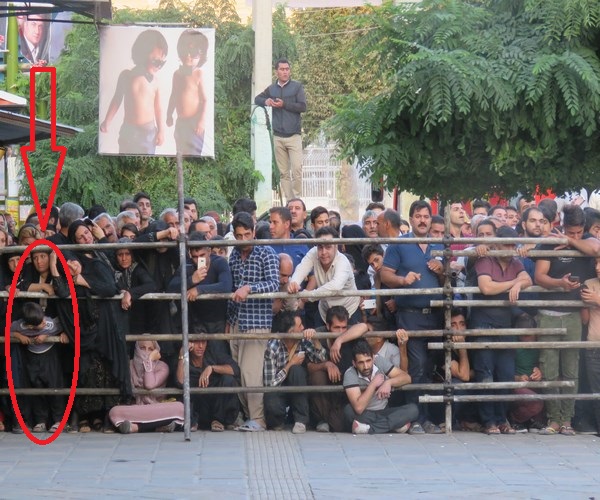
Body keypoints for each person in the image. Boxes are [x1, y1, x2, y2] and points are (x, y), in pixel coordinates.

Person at [380, 199, 445, 434]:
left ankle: (427, 417)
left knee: (430, 368)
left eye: (426, 216)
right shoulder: (399, 244)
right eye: (418, 216)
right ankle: (417, 418)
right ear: (410, 219)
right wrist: (402, 280)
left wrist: (442, 269)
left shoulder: (438, 245)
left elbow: (449, 280)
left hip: (436, 315)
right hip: (410, 315)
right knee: (416, 367)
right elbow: (385, 275)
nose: (422, 220)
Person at [534, 204, 599, 435]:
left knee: (572, 369)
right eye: (571, 232)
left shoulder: (587, 240)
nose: (576, 236)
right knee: (550, 368)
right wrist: (559, 284)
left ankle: (567, 420)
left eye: (579, 232)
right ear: (562, 226)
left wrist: (570, 241)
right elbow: (539, 277)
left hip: (574, 314)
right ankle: (553, 419)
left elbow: (595, 249)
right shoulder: (549, 243)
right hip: (549, 313)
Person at [472, 225, 532, 435]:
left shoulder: (516, 262)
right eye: (505, 244)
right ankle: (489, 421)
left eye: (512, 245)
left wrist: (518, 284)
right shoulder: (485, 260)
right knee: (485, 372)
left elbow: (528, 279)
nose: (509, 248)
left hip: (505, 324)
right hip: (483, 323)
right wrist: (514, 282)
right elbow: (486, 287)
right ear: (496, 244)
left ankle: (501, 418)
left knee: (505, 374)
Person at [227, 212, 279, 432]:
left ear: (254, 232)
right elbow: (232, 288)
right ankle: (248, 416)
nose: (243, 239)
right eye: (239, 236)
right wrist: (229, 319)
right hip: (236, 320)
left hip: (257, 320)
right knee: (238, 371)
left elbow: (274, 284)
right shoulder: (234, 255)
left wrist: (250, 288)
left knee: (251, 372)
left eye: (247, 234)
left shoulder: (266, 252)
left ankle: (258, 418)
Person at [100, 29, 168, 154]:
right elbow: (117, 99)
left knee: (146, 161)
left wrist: (161, 131)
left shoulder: (155, 82)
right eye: (155, 61)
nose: (158, 66)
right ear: (142, 54)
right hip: (128, 131)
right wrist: (107, 121)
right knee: (125, 158)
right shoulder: (126, 76)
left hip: (148, 132)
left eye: (161, 62)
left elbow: (158, 109)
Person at [168, 231, 232, 356]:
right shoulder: (187, 265)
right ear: (189, 254)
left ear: (209, 251)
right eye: (195, 256)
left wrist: (199, 289)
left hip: (217, 321)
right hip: (195, 322)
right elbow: (171, 288)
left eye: (202, 255)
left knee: (218, 357)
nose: (198, 260)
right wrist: (191, 280)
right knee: (196, 360)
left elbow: (226, 286)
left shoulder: (219, 262)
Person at [263, 311, 327, 433]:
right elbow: (269, 384)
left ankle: (301, 421)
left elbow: (321, 359)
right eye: (300, 326)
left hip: (298, 388)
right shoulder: (273, 346)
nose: (303, 328)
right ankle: (278, 422)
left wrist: (315, 341)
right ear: (291, 332)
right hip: (278, 390)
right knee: (271, 401)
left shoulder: (302, 340)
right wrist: (290, 364)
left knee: (297, 370)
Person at [10, 302, 68, 433]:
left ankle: (58, 420)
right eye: (40, 323)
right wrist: (19, 336)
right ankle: (40, 420)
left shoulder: (49, 324)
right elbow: (8, 330)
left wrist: (49, 335)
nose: (44, 323)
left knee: (54, 386)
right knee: (36, 386)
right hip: (31, 356)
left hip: (49, 355)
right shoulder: (19, 325)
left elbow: (64, 323)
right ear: (30, 326)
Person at [255, 59, 307, 201]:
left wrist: (284, 104)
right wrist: (266, 101)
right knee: (283, 173)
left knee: (297, 170)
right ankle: (289, 201)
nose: (285, 72)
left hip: (294, 135)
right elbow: (257, 99)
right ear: (276, 71)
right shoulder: (272, 89)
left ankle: (297, 199)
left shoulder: (297, 87)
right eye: (282, 69)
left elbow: (302, 106)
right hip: (278, 136)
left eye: (287, 69)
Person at [288, 226, 361, 327]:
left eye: (328, 247)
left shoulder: (343, 262)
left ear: (336, 246)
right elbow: (302, 268)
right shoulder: (313, 252)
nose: (323, 252)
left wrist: (309, 296)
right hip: (325, 311)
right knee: (318, 336)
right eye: (320, 247)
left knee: (350, 338)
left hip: (349, 311)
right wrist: (294, 283)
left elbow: (336, 286)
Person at [109, 340, 184, 434]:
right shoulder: (129, 365)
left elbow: (149, 385)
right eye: (142, 348)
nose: (146, 352)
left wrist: (149, 361)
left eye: (151, 349)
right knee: (114, 411)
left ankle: (136, 427)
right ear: (136, 348)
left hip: (157, 407)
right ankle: (160, 426)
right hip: (137, 408)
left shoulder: (163, 366)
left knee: (180, 407)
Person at [343, 340, 418, 434]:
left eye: (368, 361)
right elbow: (359, 408)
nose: (366, 366)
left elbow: (406, 378)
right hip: (364, 414)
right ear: (354, 363)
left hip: (383, 411)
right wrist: (373, 384)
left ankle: (369, 429)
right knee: (348, 411)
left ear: (373, 358)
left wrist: (388, 383)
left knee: (413, 409)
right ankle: (394, 424)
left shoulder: (379, 361)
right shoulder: (350, 373)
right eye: (361, 362)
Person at [176, 338, 240, 432]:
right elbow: (180, 382)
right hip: (197, 411)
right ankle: (192, 422)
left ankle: (218, 421)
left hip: (215, 409)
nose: (201, 346)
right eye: (196, 342)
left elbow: (235, 369)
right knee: (185, 388)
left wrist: (212, 368)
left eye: (203, 342)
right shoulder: (184, 359)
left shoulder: (213, 354)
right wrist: (182, 355)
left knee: (228, 379)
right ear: (189, 343)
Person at [166, 29, 209, 155]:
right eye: (185, 51)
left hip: (194, 123)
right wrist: (169, 114)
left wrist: (201, 121)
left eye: (194, 52)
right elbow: (173, 95)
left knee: (193, 154)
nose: (188, 56)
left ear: (201, 55)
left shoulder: (198, 74)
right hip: (181, 122)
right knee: (180, 152)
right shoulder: (177, 74)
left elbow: (204, 100)